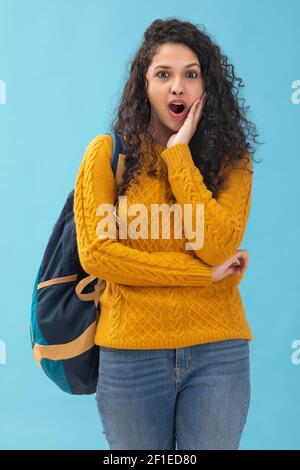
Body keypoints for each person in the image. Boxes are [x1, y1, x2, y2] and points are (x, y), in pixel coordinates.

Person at [74, 17, 260, 450]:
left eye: (190, 74)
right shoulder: (107, 154)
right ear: (144, 85)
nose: (178, 87)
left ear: (206, 87)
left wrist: (179, 160)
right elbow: (99, 255)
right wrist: (201, 276)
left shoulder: (232, 161)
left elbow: (217, 247)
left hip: (219, 350)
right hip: (130, 354)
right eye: (164, 74)